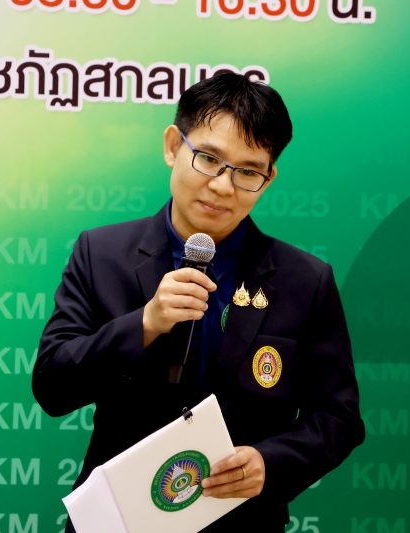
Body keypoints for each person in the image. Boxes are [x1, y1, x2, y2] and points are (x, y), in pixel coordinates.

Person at [33, 73, 364, 533]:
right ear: (173, 146)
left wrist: (269, 463)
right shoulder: (101, 253)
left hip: (239, 522)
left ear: (268, 178)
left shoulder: (305, 280)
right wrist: (145, 324)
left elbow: (338, 418)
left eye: (248, 171)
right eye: (208, 159)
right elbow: (52, 386)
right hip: (118, 521)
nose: (224, 186)